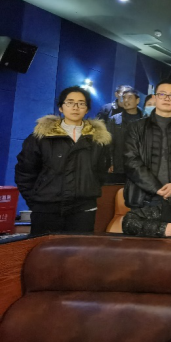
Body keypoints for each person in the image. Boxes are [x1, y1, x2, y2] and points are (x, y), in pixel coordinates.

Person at [15, 86, 112, 235]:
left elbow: (100, 173)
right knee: (45, 249)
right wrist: (35, 200)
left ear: (87, 109)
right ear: (61, 107)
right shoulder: (42, 137)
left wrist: (88, 190)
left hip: (83, 209)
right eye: (70, 102)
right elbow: (25, 171)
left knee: (78, 249)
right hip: (46, 208)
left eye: (81, 103)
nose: (75, 107)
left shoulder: (98, 140)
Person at [123, 79, 171, 208]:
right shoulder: (136, 127)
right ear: (155, 97)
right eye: (162, 94)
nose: (167, 98)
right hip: (142, 197)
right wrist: (156, 188)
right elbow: (130, 160)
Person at [105, 86, 144, 183]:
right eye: (124, 98)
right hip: (119, 165)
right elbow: (109, 143)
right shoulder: (114, 119)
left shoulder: (145, 120)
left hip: (140, 167)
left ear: (137, 100)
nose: (126, 100)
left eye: (130, 98)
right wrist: (110, 162)